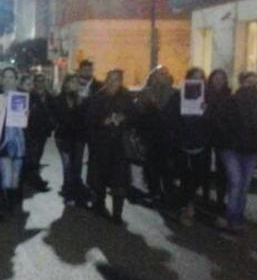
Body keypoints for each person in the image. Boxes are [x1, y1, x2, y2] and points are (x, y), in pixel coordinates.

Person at [219, 71, 257, 232]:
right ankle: (231, 217)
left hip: (251, 149)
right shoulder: (231, 101)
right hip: (232, 148)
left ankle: (237, 218)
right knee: (236, 182)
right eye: (249, 82)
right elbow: (224, 123)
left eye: (255, 83)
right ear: (242, 82)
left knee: (244, 185)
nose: (252, 86)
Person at [86, 69, 134, 224]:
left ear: (121, 81)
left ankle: (117, 214)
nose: (113, 83)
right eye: (110, 79)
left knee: (119, 180)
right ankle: (99, 206)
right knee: (99, 178)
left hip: (120, 146)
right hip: (101, 145)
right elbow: (90, 121)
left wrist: (124, 118)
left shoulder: (126, 97)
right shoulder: (97, 98)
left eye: (117, 80)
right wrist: (103, 122)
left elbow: (134, 117)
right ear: (106, 81)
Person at [166, 68, 208, 225]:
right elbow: (169, 117)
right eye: (194, 78)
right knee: (184, 176)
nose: (197, 81)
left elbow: (212, 120)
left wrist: (206, 111)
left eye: (201, 78)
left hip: (200, 143)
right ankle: (185, 207)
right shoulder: (178, 96)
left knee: (198, 176)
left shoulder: (206, 97)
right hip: (181, 143)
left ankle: (186, 203)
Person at [136, 66, 178, 206]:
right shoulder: (146, 93)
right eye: (159, 74)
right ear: (153, 76)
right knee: (152, 167)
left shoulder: (174, 93)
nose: (162, 76)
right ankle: (154, 193)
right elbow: (139, 114)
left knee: (168, 169)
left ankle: (168, 195)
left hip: (168, 137)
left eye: (165, 74)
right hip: (151, 137)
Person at [51, 74, 88, 206]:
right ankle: (68, 193)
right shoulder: (58, 99)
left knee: (76, 165)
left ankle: (75, 191)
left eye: (77, 82)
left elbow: (85, 118)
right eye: (72, 82)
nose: (75, 84)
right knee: (67, 165)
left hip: (78, 137)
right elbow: (55, 116)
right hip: (63, 137)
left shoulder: (82, 100)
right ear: (66, 84)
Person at [0, 67, 26, 213]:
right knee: (6, 177)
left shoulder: (23, 98)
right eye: (5, 77)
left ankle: (12, 203)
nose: (8, 80)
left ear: (16, 80)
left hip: (19, 143)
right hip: (3, 142)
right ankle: (5, 205)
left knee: (15, 178)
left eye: (11, 77)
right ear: (1, 79)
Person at [203, 69, 231, 211]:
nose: (219, 80)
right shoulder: (204, 94)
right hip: (206, 135)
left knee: (222, 171)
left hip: (222, 137)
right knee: (205, 168)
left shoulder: (229, 96)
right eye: (216, 77)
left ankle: (220, 200)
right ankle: (205, 197)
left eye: (222, 78)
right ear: (211, 79)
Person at [24, 72, 54, 193]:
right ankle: (35, 180)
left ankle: (32, 177)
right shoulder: (29, 96)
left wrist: (52, 125)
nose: (40, 84)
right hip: (32, 131)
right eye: (38, 81)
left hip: (43, 131)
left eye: (43, 81)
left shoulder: (49, 96)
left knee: (38, 155)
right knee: (33, 157)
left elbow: (53, 111)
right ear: (35, 83)